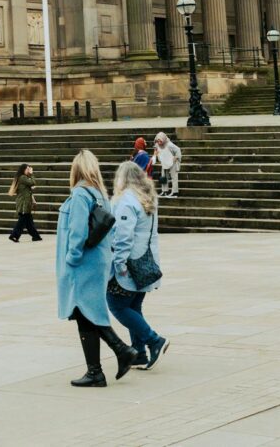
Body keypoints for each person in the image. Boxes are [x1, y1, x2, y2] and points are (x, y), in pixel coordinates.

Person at [57, 150, 142, 387]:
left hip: (83, 263)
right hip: (98, 261)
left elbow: (77, 232)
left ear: (76, 169)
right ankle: (98, 369)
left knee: (86, 311)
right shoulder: (100, 195)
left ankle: (119, 353)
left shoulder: (80, 195)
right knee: (86, 313)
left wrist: (72, 258)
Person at [107, 161, 169, 369]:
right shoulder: (147, 199)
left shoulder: (126, 201)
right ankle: (140, 353)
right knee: (134, 306)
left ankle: (154, 340)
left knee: (116, 305)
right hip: (146, 262)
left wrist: (119, 263)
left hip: (130, 264)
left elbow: (124, 237)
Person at [7, 163, 42, 242]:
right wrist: (32, 174)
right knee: (22, 221)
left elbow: (28, 190)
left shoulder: (24, 178)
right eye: (27, 169)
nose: (28, 170)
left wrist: (33, 201)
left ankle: (36, 236)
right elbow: (32, 183)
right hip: (23, 204)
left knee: (29, 222)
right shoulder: (22, 177)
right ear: (23, 170)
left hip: (26, 203)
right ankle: (14, 235)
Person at [153, 132, 181, 197]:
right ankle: (164, 191)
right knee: (164, 177)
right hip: (164, 162)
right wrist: (156, 155)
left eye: (160, 140)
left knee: (174, 177)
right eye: (158, 140)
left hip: (172, 162)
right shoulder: (157, 144)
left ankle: (174, 192)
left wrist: (176, 157)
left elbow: (178, 150)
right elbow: (156, 150)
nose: (159, 142)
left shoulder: (169, 145)